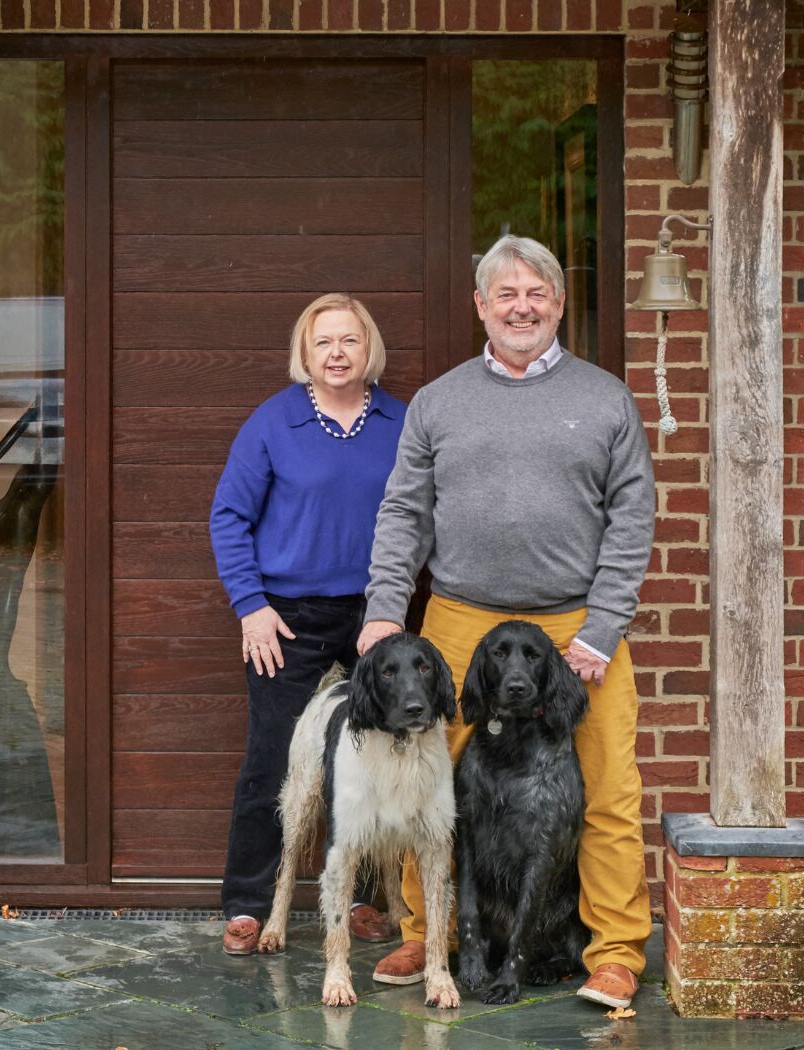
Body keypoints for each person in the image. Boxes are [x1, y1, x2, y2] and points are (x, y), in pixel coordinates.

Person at [357, 235, 655, 1009]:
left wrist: (605, 626)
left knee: (610, 786)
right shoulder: (439, 402)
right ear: (481, 306)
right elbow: (404, 512)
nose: (522, 307)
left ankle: (616, 952)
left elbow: (632, 518)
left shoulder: (604, 398)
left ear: (557, 303)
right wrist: (387, 611)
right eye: (506, 295)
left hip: (577, 627)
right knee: (431, 788)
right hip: (460, 617)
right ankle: (430, 933)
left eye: (537, 294)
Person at [209, 293, 407, 956]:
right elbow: (229, 518)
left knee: (372, 762)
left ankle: (364, 898)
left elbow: (420, 518)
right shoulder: (273, 422)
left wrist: (390, 610)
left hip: (373, 615)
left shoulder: (399, 423)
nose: (337, 353)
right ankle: (247, 901)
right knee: (272, 758)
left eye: (349, 340)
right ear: (304, 352)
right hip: (285, 619)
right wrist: (251, 606)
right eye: (323, 342)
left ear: (368, 348)